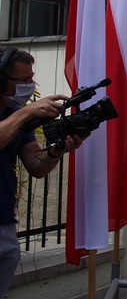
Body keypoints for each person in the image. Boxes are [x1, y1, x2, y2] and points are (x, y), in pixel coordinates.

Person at [0, 47, 84, 296]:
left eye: (32, 78)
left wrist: (58, 149)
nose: (30, 86)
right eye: (23, 80)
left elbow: (36, 166)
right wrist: (26, 112)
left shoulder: (15, 117)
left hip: (4, 223)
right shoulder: (19, 117)